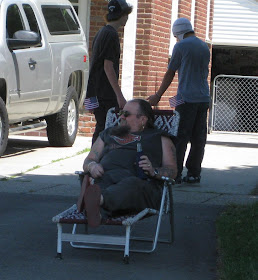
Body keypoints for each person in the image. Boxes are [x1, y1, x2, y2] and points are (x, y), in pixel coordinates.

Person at [80, 99, 177, 227]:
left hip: (139, 184)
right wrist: (92, 166)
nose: (120, 116)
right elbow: (89, 159)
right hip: (106, 177)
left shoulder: (159, 138)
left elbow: (173, 171)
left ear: (142, 119)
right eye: (121, 112)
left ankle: (96, 201)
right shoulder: (109, 133)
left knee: (131, 184)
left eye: (126, 114)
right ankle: (97, 208)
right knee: (93, 180)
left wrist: (154, 171)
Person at [148, 18, 211, 184]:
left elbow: (170, 73)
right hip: (204, 98)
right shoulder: (204, 46)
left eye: (176, 36)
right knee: (198, 138)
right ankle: (194, 173)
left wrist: (158, 95)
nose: (176, 39)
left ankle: (175, 174)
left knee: (181, 137)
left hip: (186, 98)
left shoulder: (181, 46)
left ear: (178, 33)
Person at [85, 0, 133, 145]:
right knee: (106, 129)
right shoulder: (111, 35)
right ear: (123, 14)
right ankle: (94, 162)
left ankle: (94, 162)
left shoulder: (102, 32)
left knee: (102, 127)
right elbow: (108, 66)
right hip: (105, 93)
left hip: (95, 90)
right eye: (127, 14)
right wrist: (119, 96)